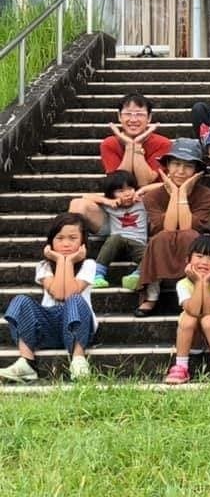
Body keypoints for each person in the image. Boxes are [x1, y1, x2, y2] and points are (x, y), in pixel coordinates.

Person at [0, 214, 96, 382]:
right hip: (49, 326)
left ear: (83, 242)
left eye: (73, 238)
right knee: (21, 300)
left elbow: (67, 294)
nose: (66, 243)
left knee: (74, 299)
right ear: (51, 242)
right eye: (60, 238)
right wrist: (61, 260)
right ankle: (27, 362)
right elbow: (58, 293)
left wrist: (68, 261)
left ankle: (78, 360)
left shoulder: (89, 265)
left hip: (78, 327)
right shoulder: (43, 266)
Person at [135, 139, 210, 318]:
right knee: (161, 237)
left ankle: (193, 292)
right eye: (176, 164)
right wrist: (175, 193)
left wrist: (182, 194)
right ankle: (151, 295)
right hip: (163, 239)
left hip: (195, 241)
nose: (181, 171)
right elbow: (166, 227)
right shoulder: (152, 196)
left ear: (197, 171)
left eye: (188, 166)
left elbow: (189, 226)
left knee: (189, 235)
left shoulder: (207, 195)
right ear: (167, 166)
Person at [163, 234, 210, 385]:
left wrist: (206, 283)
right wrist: (198, 282)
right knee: (188, 317)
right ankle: (181, 367)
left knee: (208, 319)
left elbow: (209, 310)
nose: (204, 262)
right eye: (199, 256)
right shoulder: (182, 284)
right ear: (188, 260)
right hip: (194, 336)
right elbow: (194, 311)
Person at [77, 170, 147, 290]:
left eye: (130, 189)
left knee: (152, 252)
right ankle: (98, 274)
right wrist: (107, 201)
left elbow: (162, 186)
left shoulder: (142, 203)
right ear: (112, 194)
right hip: (116, 244)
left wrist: (142, 190)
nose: (127, 194)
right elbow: (85, 197)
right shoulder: (110, 206)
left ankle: (136, 276)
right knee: (115, 238)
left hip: (138, 244)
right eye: (120, 191)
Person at [98, 93, 171, 187]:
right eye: (128, 114)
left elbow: (144, 182)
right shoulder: (109, 144)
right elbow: (120, 184)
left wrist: (137, 145)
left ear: (149, 117)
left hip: (151, 194)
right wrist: (129, 146)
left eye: (139, 114)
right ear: (119, 116)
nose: (133, 120)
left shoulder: (163, 144)